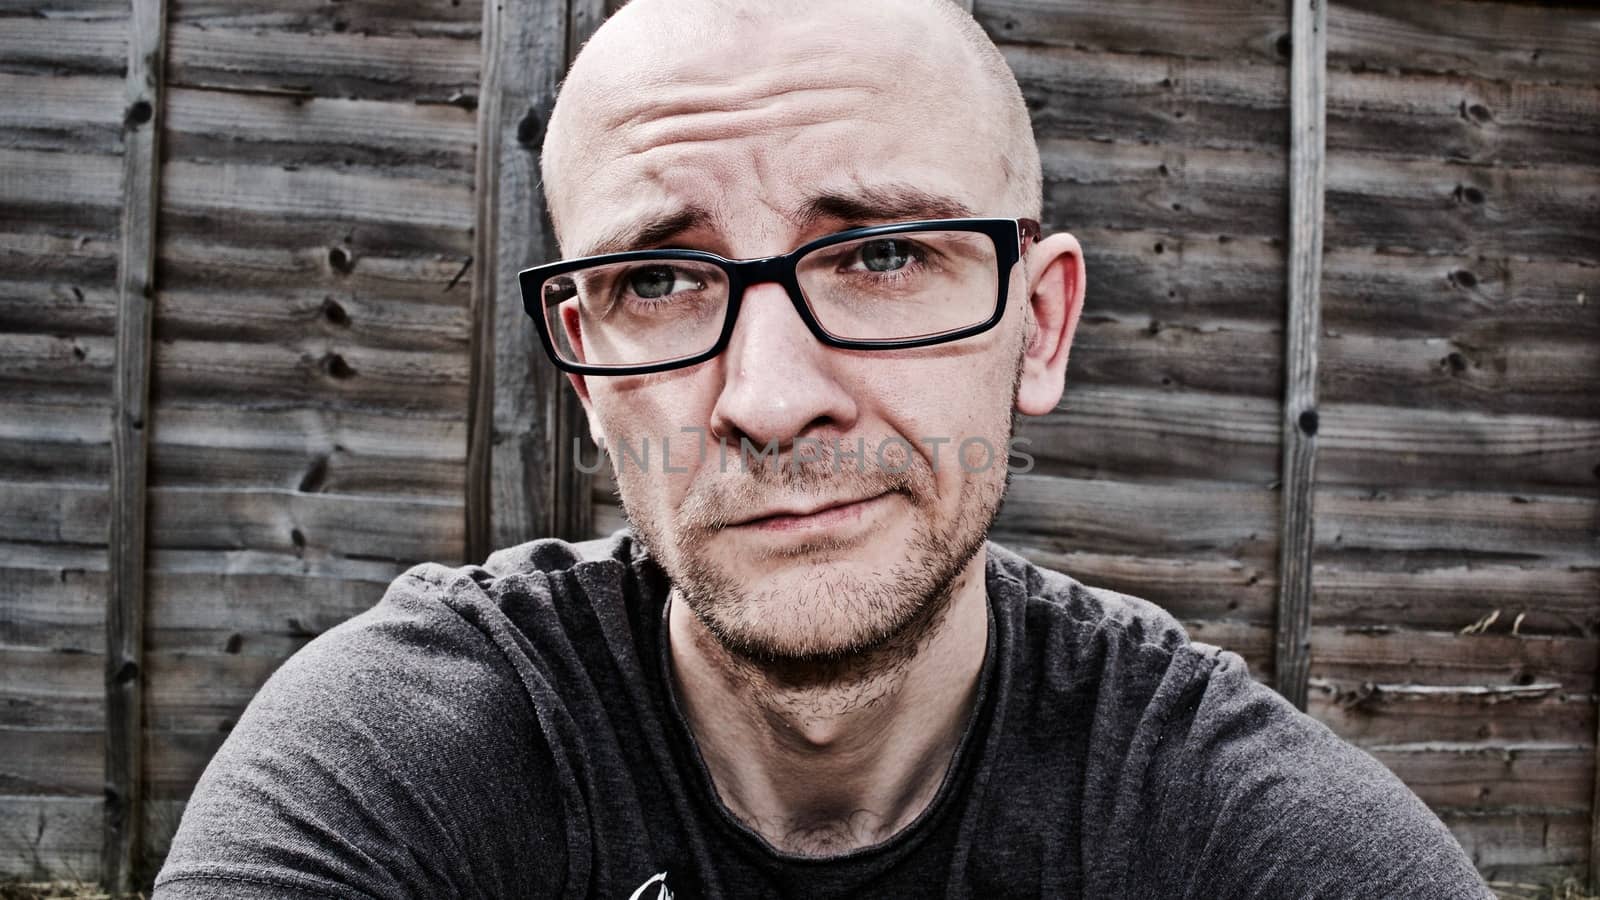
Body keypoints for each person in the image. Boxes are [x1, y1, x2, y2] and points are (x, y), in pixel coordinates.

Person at [154, 0, 1493, 897]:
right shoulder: (404, 760)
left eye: (884, 255)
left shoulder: (1219, 819)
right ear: (581, 367)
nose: (771, 398)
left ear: (1039, 326)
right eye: (659, 284)